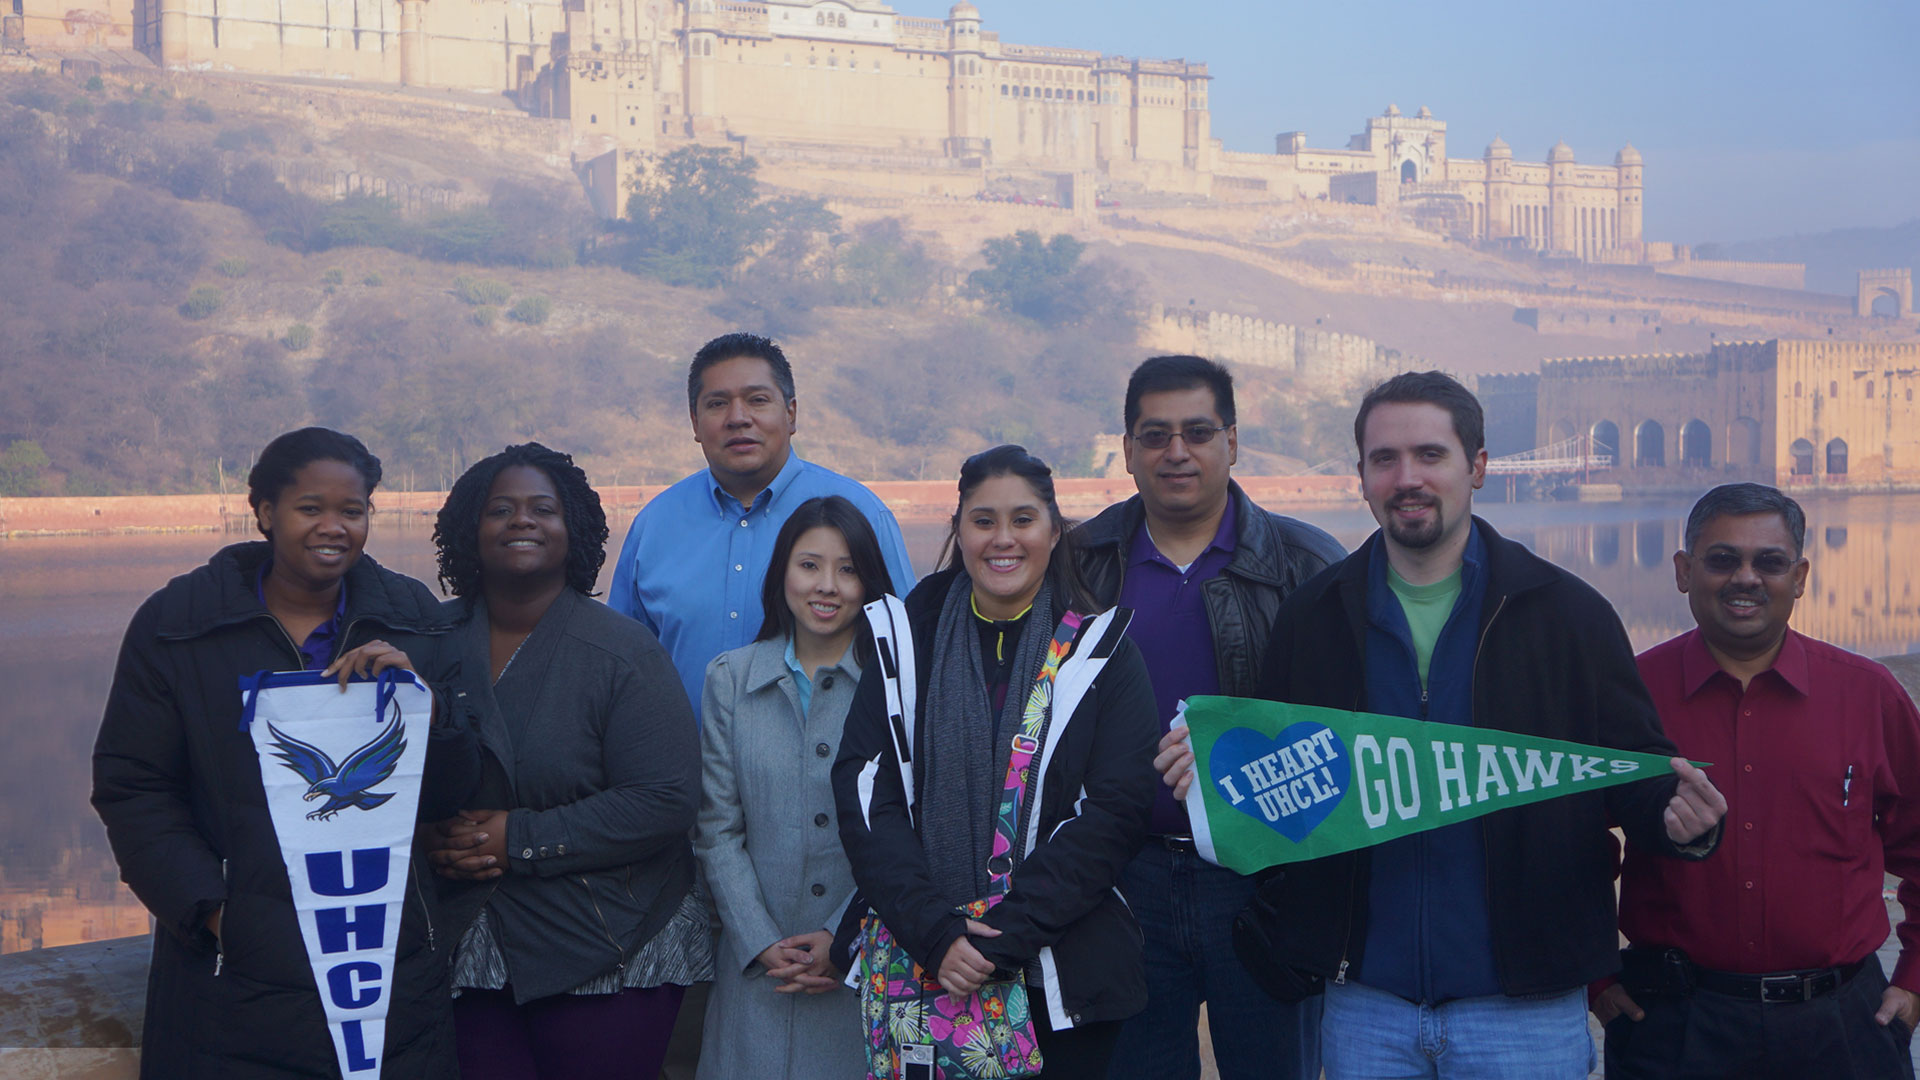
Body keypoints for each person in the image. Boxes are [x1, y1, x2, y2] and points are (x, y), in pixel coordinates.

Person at [1165, 372, 1728, 1079]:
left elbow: (1636, 776)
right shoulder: (1312, 617)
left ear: (1479, 467)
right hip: (1364, 1005)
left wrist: (1684, 823)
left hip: (1525, 1006)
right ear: (1363, 477)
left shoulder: (1569, 616)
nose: (1408, 478)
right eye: (1385, 460)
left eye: (1431, 455)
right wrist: (1211, 778)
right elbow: (1287, 790)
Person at [91, 426, 481, 1079]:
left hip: (386, 970)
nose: (334, 527)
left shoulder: (413, 618)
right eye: (310, 508)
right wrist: (213, 912)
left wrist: (426, 713)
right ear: (266, 513)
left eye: (352, 511)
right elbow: (134, 788)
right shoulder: (180, 623)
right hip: (232, 985)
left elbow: (451, 794)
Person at [833, 444, 1160, 1079]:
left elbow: (1114, 812)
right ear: (958, 530)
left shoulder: (1103, 649)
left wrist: (999, 940)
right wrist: (935, 933)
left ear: (1054, 530)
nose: (1002, 539)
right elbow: (866, 790)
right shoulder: (906, 639)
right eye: (983, 521)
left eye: (1022, 520)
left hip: (1061, 976)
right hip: (922, 962)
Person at [1073, 355, 1343, 1080]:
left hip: (1263, 880)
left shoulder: (1308, 564)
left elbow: (1351, 732)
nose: (1176, 452)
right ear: (1128, 450)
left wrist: (1244, 760)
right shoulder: (1082, 562)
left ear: (1232, 441)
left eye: (1197, 431)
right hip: (1120, 879)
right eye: (1155, 435)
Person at [1596, 483, 1920, 1079]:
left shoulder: (1866, 695)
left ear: (1798, 577)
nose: (1746, 578)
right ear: (1684, 571)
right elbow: (1569, 845)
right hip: (1673, 1028)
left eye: (1768, 562)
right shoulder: (1628, 697)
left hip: (1843, 1026)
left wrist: (1915, 980)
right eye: (1723, 560)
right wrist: (1597, 981)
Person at [422, 443, 705, 1080]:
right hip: (462, 937)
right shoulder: (426, 643)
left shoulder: (623, 651)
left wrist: (514, 838)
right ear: (470, 528)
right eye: (501, 509)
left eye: (542, 509)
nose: (522, 520)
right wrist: (428, 836)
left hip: (611, 940)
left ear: (573, 528)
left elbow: (665, 798)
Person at [607, 332, 917, 720]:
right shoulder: (654, 526)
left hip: (827, 773)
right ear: (695, 422)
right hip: (682, 774)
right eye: (717, 404)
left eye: (757, 400)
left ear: (791, 414)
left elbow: (906, 654)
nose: (738, 418)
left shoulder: (862, 516)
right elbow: (618, 667)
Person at [693, 495, 896, 1080]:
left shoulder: (897, 683)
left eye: (848, 568)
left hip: (863, 970)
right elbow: (716, 830)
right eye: (809, 565)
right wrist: (758, 941)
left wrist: (843, 936)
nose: (826, 586)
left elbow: (908, 828)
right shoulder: (731, 678)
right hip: (757, 974)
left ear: (869, 581)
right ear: (782, 570)